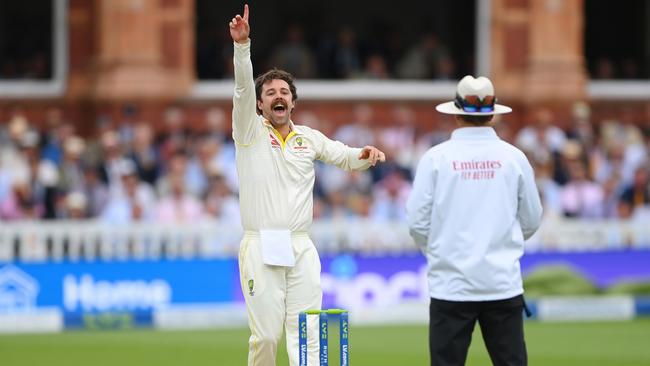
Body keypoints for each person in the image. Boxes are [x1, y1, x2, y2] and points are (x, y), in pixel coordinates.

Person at [228, 5, 386, 366]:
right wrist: (242, 47)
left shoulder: (308, 138)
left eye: (284, 91)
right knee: (266, 336)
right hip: (261, 243)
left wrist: (365, 154)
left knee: (307, 334)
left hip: (300, 246)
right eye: (270, 93)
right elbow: (241, 89)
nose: (278, 96)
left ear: (293, 102)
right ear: (260, 105)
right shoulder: (249, 133)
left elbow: (345, 156)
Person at [406, 75, 543, 366]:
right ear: (492, 114)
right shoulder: (513, 158)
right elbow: (532, 218)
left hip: (451, 284)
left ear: (456, 114)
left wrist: (440, 251)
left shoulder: (436, 158)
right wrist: (504, 244)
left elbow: (417, 222)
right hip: (501, 282)